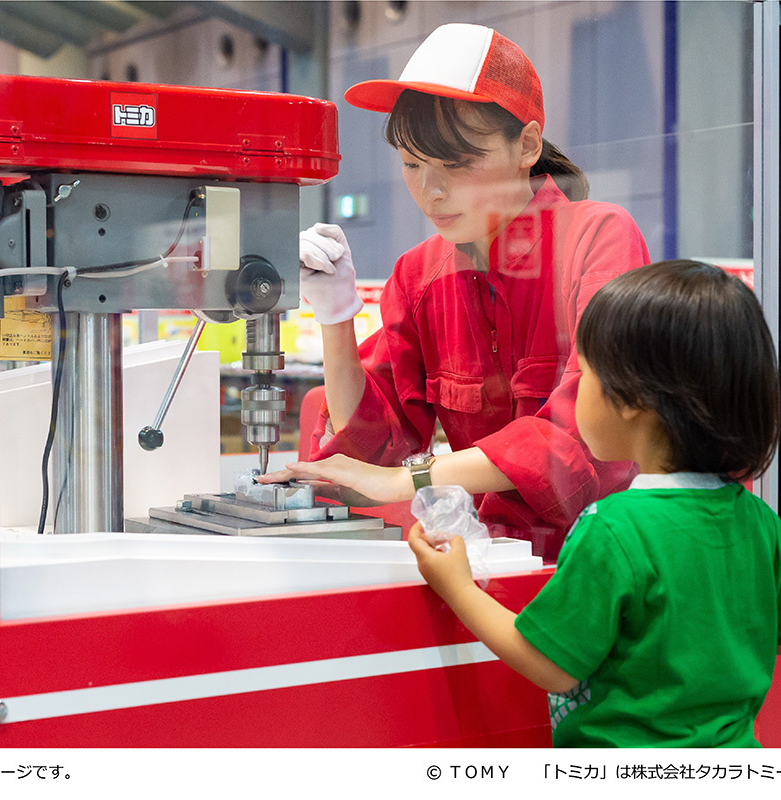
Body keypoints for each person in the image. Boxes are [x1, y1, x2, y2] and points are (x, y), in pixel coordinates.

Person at [260, 23, 651, 560]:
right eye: (412, 164)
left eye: (458, 163)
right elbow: (377, 445)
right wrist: (336, 315)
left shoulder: (599, 238)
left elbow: (583, 438)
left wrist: (409, 483)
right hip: (488, 561)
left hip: (611, 564)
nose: (431, 191)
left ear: (528, 145)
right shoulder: (418, 276)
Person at [408, 260, 781, 748]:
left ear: (631, 399)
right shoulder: (758, 521)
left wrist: (456, 587)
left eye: (586, 375)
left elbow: (551, 665)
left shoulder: (613, 528)